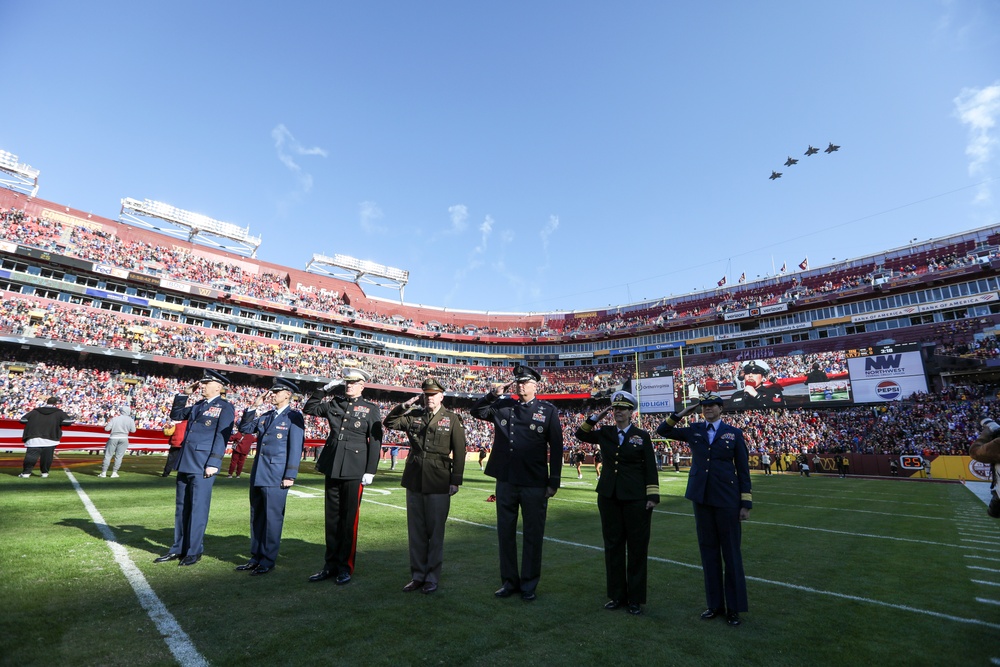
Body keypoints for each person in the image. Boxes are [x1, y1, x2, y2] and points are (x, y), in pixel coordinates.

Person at [657, 393, 752, 627]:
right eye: (704, 406)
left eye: (712, 406)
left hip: (727, 499)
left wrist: (745, 503)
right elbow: (663, 431)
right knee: (708, 554)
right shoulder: (694, 429)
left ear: (721, 409)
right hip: (701, 498)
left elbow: (743, 469)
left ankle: (733, 609)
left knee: (731, 554)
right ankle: (714, 605)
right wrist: (681, 414)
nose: (708, 409)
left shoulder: (734, 434)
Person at [472, 364, 563, 602]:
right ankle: (509, 582)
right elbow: (476, 411)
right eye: (518, 382)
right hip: (507, 480)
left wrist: (554, 481)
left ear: (536, 385)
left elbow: (556, 447)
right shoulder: (503, 405)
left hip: (534, 482)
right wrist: (493, 394)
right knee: (506, 533)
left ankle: (529, 584)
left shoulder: (548, 410)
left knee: (533, 535)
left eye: (525, 382)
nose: (521, 386)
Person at [575, 390, 658, 615]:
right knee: (613, 547)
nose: (618, 412)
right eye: (615, 408)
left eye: (622, 408)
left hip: (636, 498)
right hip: (609, 496)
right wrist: (598, 416)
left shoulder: (642, 435)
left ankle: (635, 599)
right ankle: (617, 595)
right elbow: (580, 434)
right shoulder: (605, 432)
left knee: (637, 548)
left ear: (632, 412)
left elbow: (650, 467)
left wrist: (652, 496)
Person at [383, 378, 467, 594]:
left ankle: (432, 577)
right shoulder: (414, 415)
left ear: (441, 396)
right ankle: (418, 576)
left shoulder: (452, 419)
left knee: (435, 532)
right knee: (416, 532)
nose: (429, 398)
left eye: (433, 394)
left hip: (439, 479)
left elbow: (460, 451)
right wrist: (404, 406)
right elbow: (390, 423)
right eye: (426, 394)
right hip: (415, 477)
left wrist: (455, 480)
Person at [304, 367, 382, 585]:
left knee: (349, 521)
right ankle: (329, 565)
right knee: (332, 519)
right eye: (346, 382)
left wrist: (370, 470)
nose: (349, 386)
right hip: (333, 465)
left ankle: (345, 567)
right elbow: (309, 408)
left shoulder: (370, 409)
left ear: (362, 385)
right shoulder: (334, 403)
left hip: (355, 468)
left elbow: (375, 441)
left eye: (353, 382)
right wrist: (325, 389)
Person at [155, 370, 236, 567]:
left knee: (198, 509)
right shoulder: (198, 405)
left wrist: (214, 463)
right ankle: (178, 548)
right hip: (186, 461)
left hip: (203, 464)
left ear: (218, 386)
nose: (203, 386)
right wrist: (184, 394)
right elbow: (176, 415)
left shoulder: (225, 407)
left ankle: (193, 551)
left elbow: (221, 437)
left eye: (207, 383)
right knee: (181, 507)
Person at [234, 378, 305, 576]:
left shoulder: (294, 417)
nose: (272, 395)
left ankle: (268, 559)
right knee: (257, 516)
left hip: (277, 474)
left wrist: (290, 474)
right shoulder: (266, 415)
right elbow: (245, 429)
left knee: (272, 518)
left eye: (277, 391)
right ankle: (255, 556)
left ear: (287, 395)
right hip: (259, 472)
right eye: (272, 392)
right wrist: (253, 407)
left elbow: (295, 447)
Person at [18, 396, 75, 479]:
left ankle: (26, 473)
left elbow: (23, 420)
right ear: (56, 404)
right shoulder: (59, 412)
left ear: (46, 402)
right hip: (51, 438)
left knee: (31, 456)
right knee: (47, 458)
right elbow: (68, 422)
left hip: (34, 436)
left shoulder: (35, 411)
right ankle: (44, 473)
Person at [99, 405, 136, 478]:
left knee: (108, 455)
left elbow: (107, 429)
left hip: (113, 437)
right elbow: (133, 431)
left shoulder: (115, 419)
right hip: (124, 438)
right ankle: (114, 472)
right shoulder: (130, 420)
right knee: (119, 456)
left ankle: (103, 472)